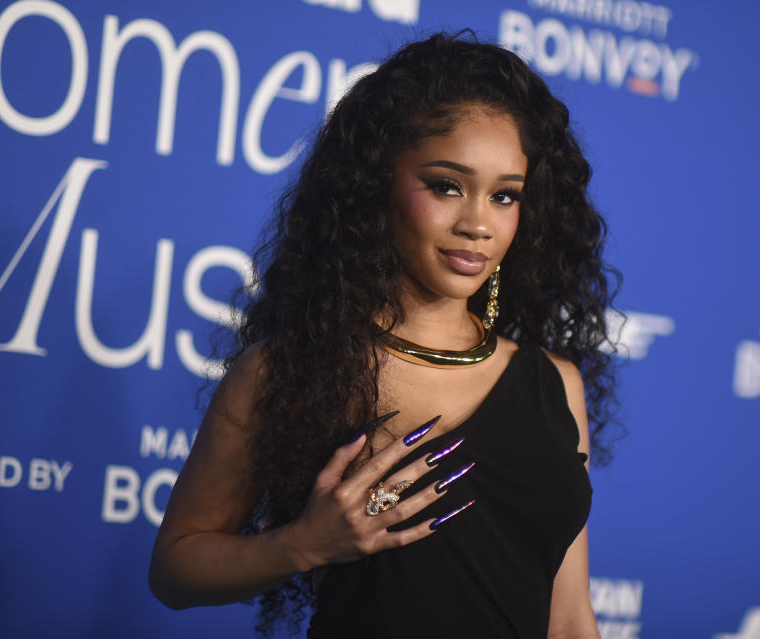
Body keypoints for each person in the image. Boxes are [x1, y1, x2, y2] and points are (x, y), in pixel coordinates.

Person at [148, 31, 622, 638]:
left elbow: (570, 617)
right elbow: (175, 568)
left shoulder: (555, 385)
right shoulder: (294, 368)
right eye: (447, 186)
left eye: (504, 195)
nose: (478, 223)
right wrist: (302, 545)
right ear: (376, 185)